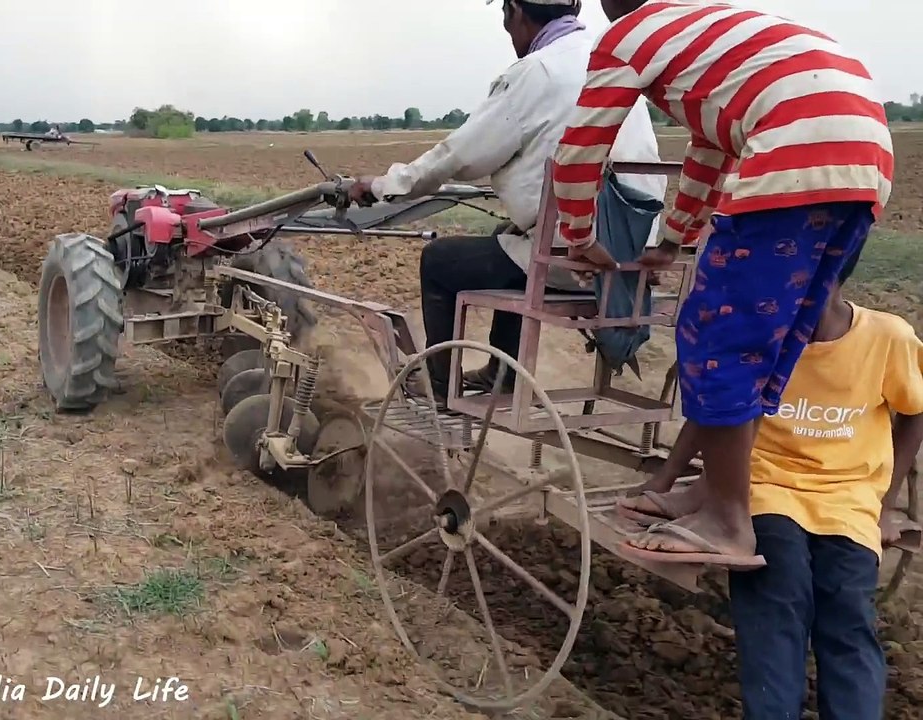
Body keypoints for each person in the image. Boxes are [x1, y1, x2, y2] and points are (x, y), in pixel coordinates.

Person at [549, 0, 894, 566]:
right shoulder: (711, 37)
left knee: (716, 335)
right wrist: (674, 239)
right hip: (865, 158)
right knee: (775, 334)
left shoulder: (632, 35)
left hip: (794, 148)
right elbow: (710, 152)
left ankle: (729, 520)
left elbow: (582, 147)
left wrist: (579, 235)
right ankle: (714, 489)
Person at [639, 250, 923, 719]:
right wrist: (666, 479)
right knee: (777, 598)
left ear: (833, 286)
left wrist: (886, 504)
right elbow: (717, 413)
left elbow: (914, 413)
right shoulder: (764, 339)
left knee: (848, 612)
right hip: (767, 486)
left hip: (849, 499)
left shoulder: (887, 338)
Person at [349, 0, 666, 403]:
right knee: (509, 237)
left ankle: (438, 388)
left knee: (439, 260)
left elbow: (457, 156)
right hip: (632, 254)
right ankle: (502, 370)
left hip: (579, 257)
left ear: (516, 11)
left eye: (505, 17)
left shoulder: (536, 72)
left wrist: (381, 185)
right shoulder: (610, 60)